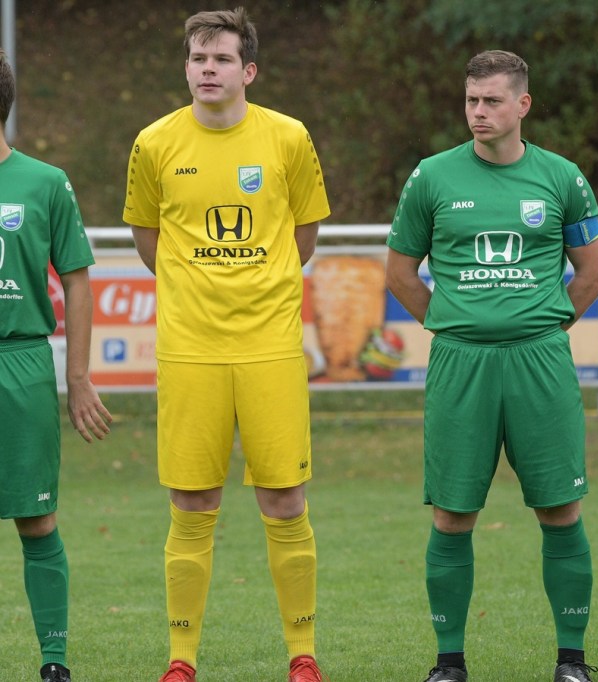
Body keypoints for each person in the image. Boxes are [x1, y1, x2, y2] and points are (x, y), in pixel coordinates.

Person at [122, 8, 330, 682]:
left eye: (221, 59)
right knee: (192, 503)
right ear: (186, 67)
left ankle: (303, 655)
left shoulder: (288, 137)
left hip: (270, 346)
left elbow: (304, 236)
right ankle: (181, 661)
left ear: (249, 70)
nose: (207, 69)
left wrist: (260, 287)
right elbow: (149, 239)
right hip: (190, 349)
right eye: (198, 58)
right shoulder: (154, 142)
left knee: (285, 499)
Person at [385, 50, 598, 682]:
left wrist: (541, 327)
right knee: (452, 514)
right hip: (461, 366)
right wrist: (453, 326)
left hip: (540, 363)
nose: (478, 112)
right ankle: (448, 662)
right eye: (471, 100)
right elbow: (400, 274)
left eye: (491, 101)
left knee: (560, 510)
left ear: (522, 104)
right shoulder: (432, 177)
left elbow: (592, 274)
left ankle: (571, 659)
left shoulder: (562, 177)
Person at [0, 48, 112, 682]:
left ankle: (54, 662)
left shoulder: (45, 182)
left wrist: (77, 377)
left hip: (21, 364)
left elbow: (76, 278)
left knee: (37, 519)